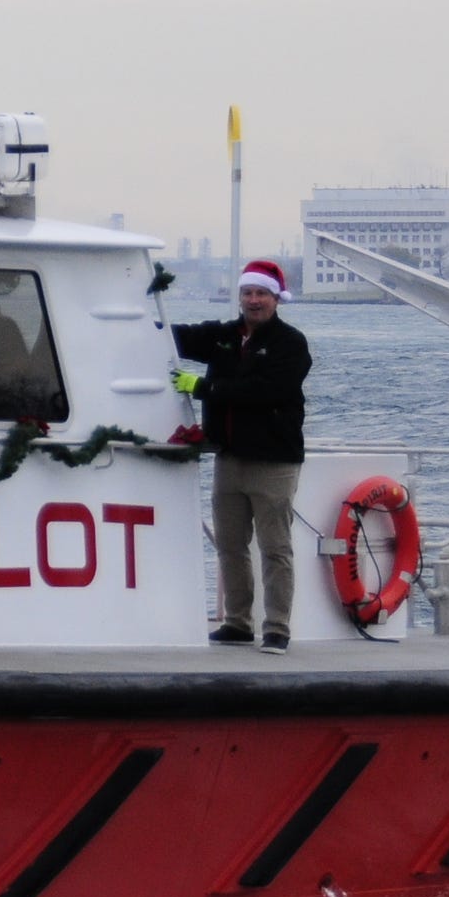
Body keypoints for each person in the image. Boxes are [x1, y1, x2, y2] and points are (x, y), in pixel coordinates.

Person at [172, 257, 311, 652]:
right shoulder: (225, 336)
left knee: (274, 548)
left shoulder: (291, 344)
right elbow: (179, 337)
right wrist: (140, 325)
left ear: (276, 299)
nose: (254, 300)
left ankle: (277, 628)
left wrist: (203, 388)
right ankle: (237, 622)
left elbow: (263, 391)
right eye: (248, 293)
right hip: (229, 459)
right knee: (230, 545)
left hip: (274, 462)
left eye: (261, 293)